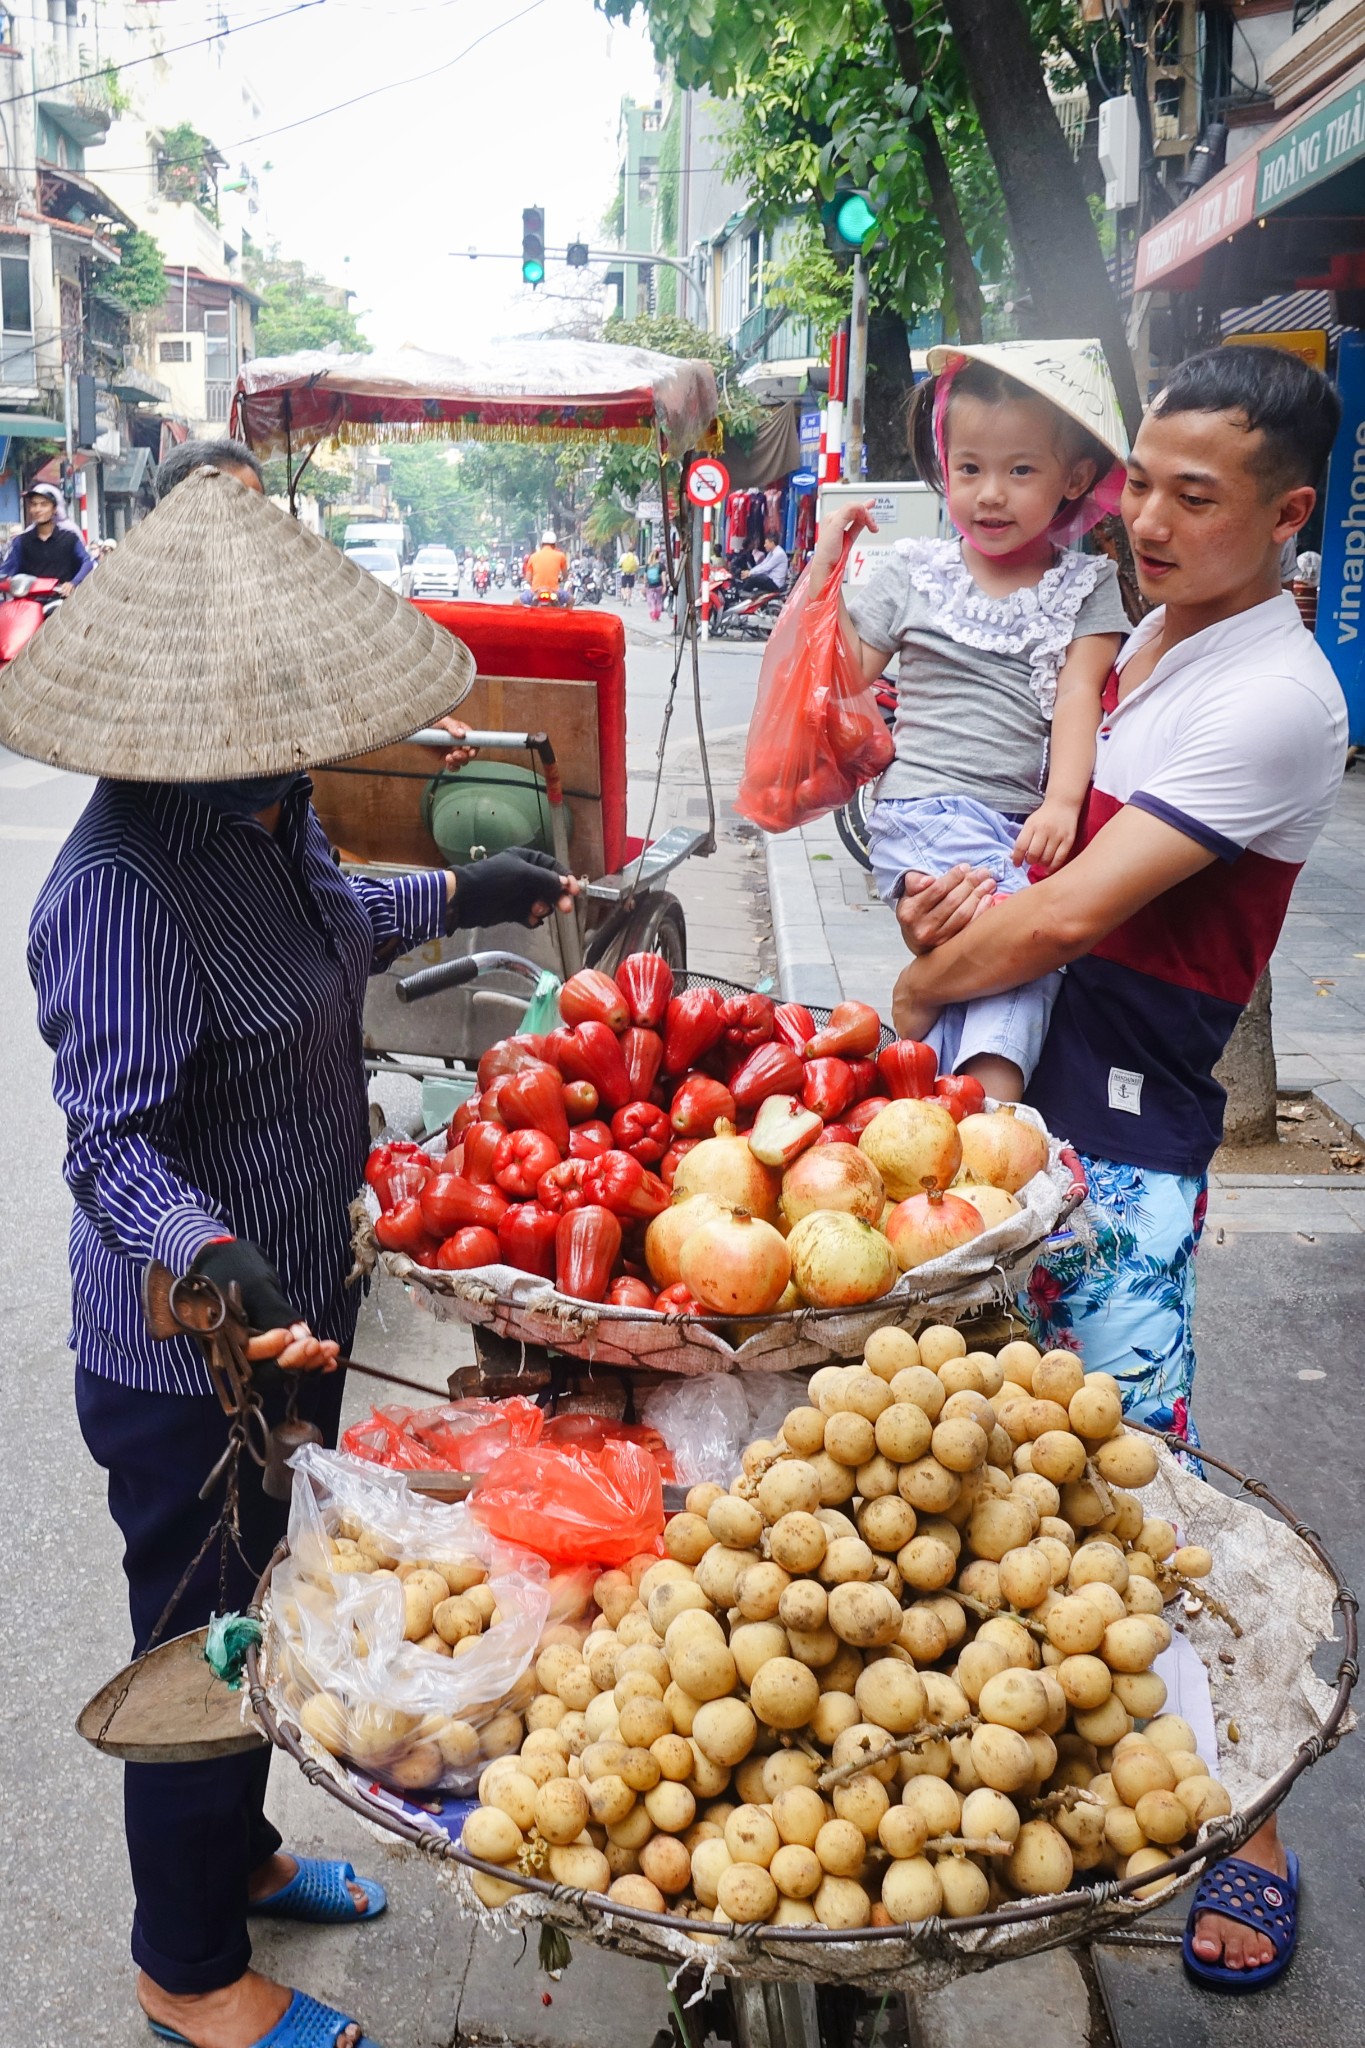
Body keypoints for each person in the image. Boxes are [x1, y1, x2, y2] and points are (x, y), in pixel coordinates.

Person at [20, 464, 580, 2048]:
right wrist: (216, 1259)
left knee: (283, 1589)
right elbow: (110, 1147)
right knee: (204, 1639)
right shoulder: (119, 890)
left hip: (299, 1308)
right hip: (188, 1351)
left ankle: (247, 1859)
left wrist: (463, 893)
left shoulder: (269, 811)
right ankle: (182, 1969)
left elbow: (336, 920)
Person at [890, 344, 1346, 1992]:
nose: (1146, 517)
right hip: (1023, 1106)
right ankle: (1049, 1751)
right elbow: (1032, 846)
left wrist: (933, 980)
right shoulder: (1146, 629)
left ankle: (1256, 1825)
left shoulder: (1277, 692)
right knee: (985, 1460)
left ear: (1290, 517)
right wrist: (948, 924)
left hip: (1125, 1135)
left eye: (1194, 496)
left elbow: (1082, 912)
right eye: (1139, 480)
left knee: (1142, 1482)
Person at [809, 341, 1131, 1101]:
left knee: (982, 967)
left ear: (1073, 480)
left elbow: (1078, 696)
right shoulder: (916, 573)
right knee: (1019, 949)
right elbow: (846, 672)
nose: (990, 494)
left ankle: (932, 1099)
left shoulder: (1086, 586)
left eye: (1020, 470)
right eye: (969, 469)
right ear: (943, 468)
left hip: (1014, 819)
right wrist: (824, 572)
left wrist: (1058, 803)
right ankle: (991, 1109)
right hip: (924, 811)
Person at [1, 480, 94, 594]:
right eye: (34, 504)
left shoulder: (70, 538)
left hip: (62, 601)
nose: (38, 509)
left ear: (55, 509)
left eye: (44, 504)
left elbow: (87, 562)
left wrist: (73, 583)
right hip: (28, 603)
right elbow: (6, 572)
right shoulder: (20, 541)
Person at [521, 527, 568, 604]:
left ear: (541, 544)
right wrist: (562, 580)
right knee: (571, 600)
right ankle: (564, 616)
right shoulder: (561, 556)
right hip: (554, 591)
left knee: (516, 602)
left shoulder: (533, 556)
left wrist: (535, 586)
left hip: (536, 591)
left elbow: (528, 579)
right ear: (555, 545)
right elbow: (565, 576)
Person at [644, 544, 666, 622]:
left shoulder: (648, 565)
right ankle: (657, 616)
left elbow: (645, 576)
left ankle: (652, 615)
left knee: (651, 601)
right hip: (658, 585)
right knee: (658, 600)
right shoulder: (661, 565)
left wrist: (644, 585)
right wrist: (664, 585)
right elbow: (663, 576)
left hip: (650, 586)